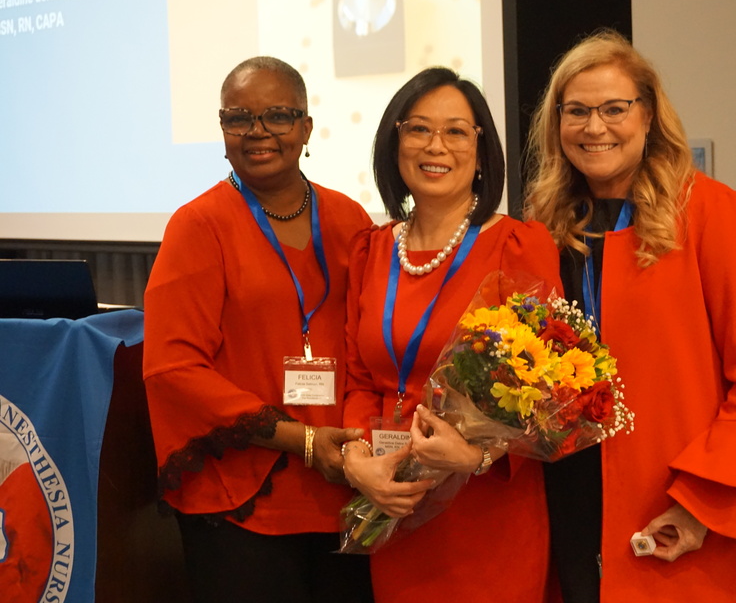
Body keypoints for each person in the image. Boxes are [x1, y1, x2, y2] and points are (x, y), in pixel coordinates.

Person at [523, 30, 736, 602]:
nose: (594, 127)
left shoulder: (707, 210)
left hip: (677, 502)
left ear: (648, 115)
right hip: (572, 499)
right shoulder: (544, 225)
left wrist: (700, 503)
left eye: (614, 109)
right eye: (576, 111)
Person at [143, 56, 374, 603]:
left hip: (346, 489)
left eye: (278, 115)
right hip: (242, 498)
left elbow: (373, 351)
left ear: (306, 128)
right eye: (239, 118)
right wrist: (304, 441)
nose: (258, 131)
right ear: (223, 130)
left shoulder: (351, 220)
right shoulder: (198, 225)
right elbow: (173, 369)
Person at [340, 66, 562, 602]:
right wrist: (358, 461)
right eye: (418, 128)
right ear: (394, 144)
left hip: (486, 513)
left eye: (456, 131)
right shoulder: (371, 250)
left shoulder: (518, 245)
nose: (435, 146)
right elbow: (359, 379)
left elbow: (550, 393)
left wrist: (477, 457)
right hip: (393, 499)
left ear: (481, 153)